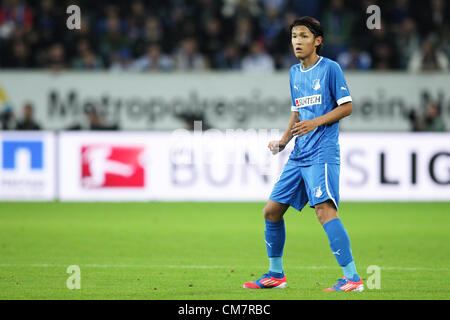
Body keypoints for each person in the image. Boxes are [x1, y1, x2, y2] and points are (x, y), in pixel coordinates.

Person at [243, 17, 363, 292]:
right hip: (299, 152)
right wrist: (284, 141)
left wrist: (316, 122)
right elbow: (297, 112)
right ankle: (276, 274)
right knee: (271, 212)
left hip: (322, 151)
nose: (297, 41)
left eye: (304, 36)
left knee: (324, 210)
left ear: (317, 41)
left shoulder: (330, 69)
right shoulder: (294, 73)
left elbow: (347, 107)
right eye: (294, 36)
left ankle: (353, 278)